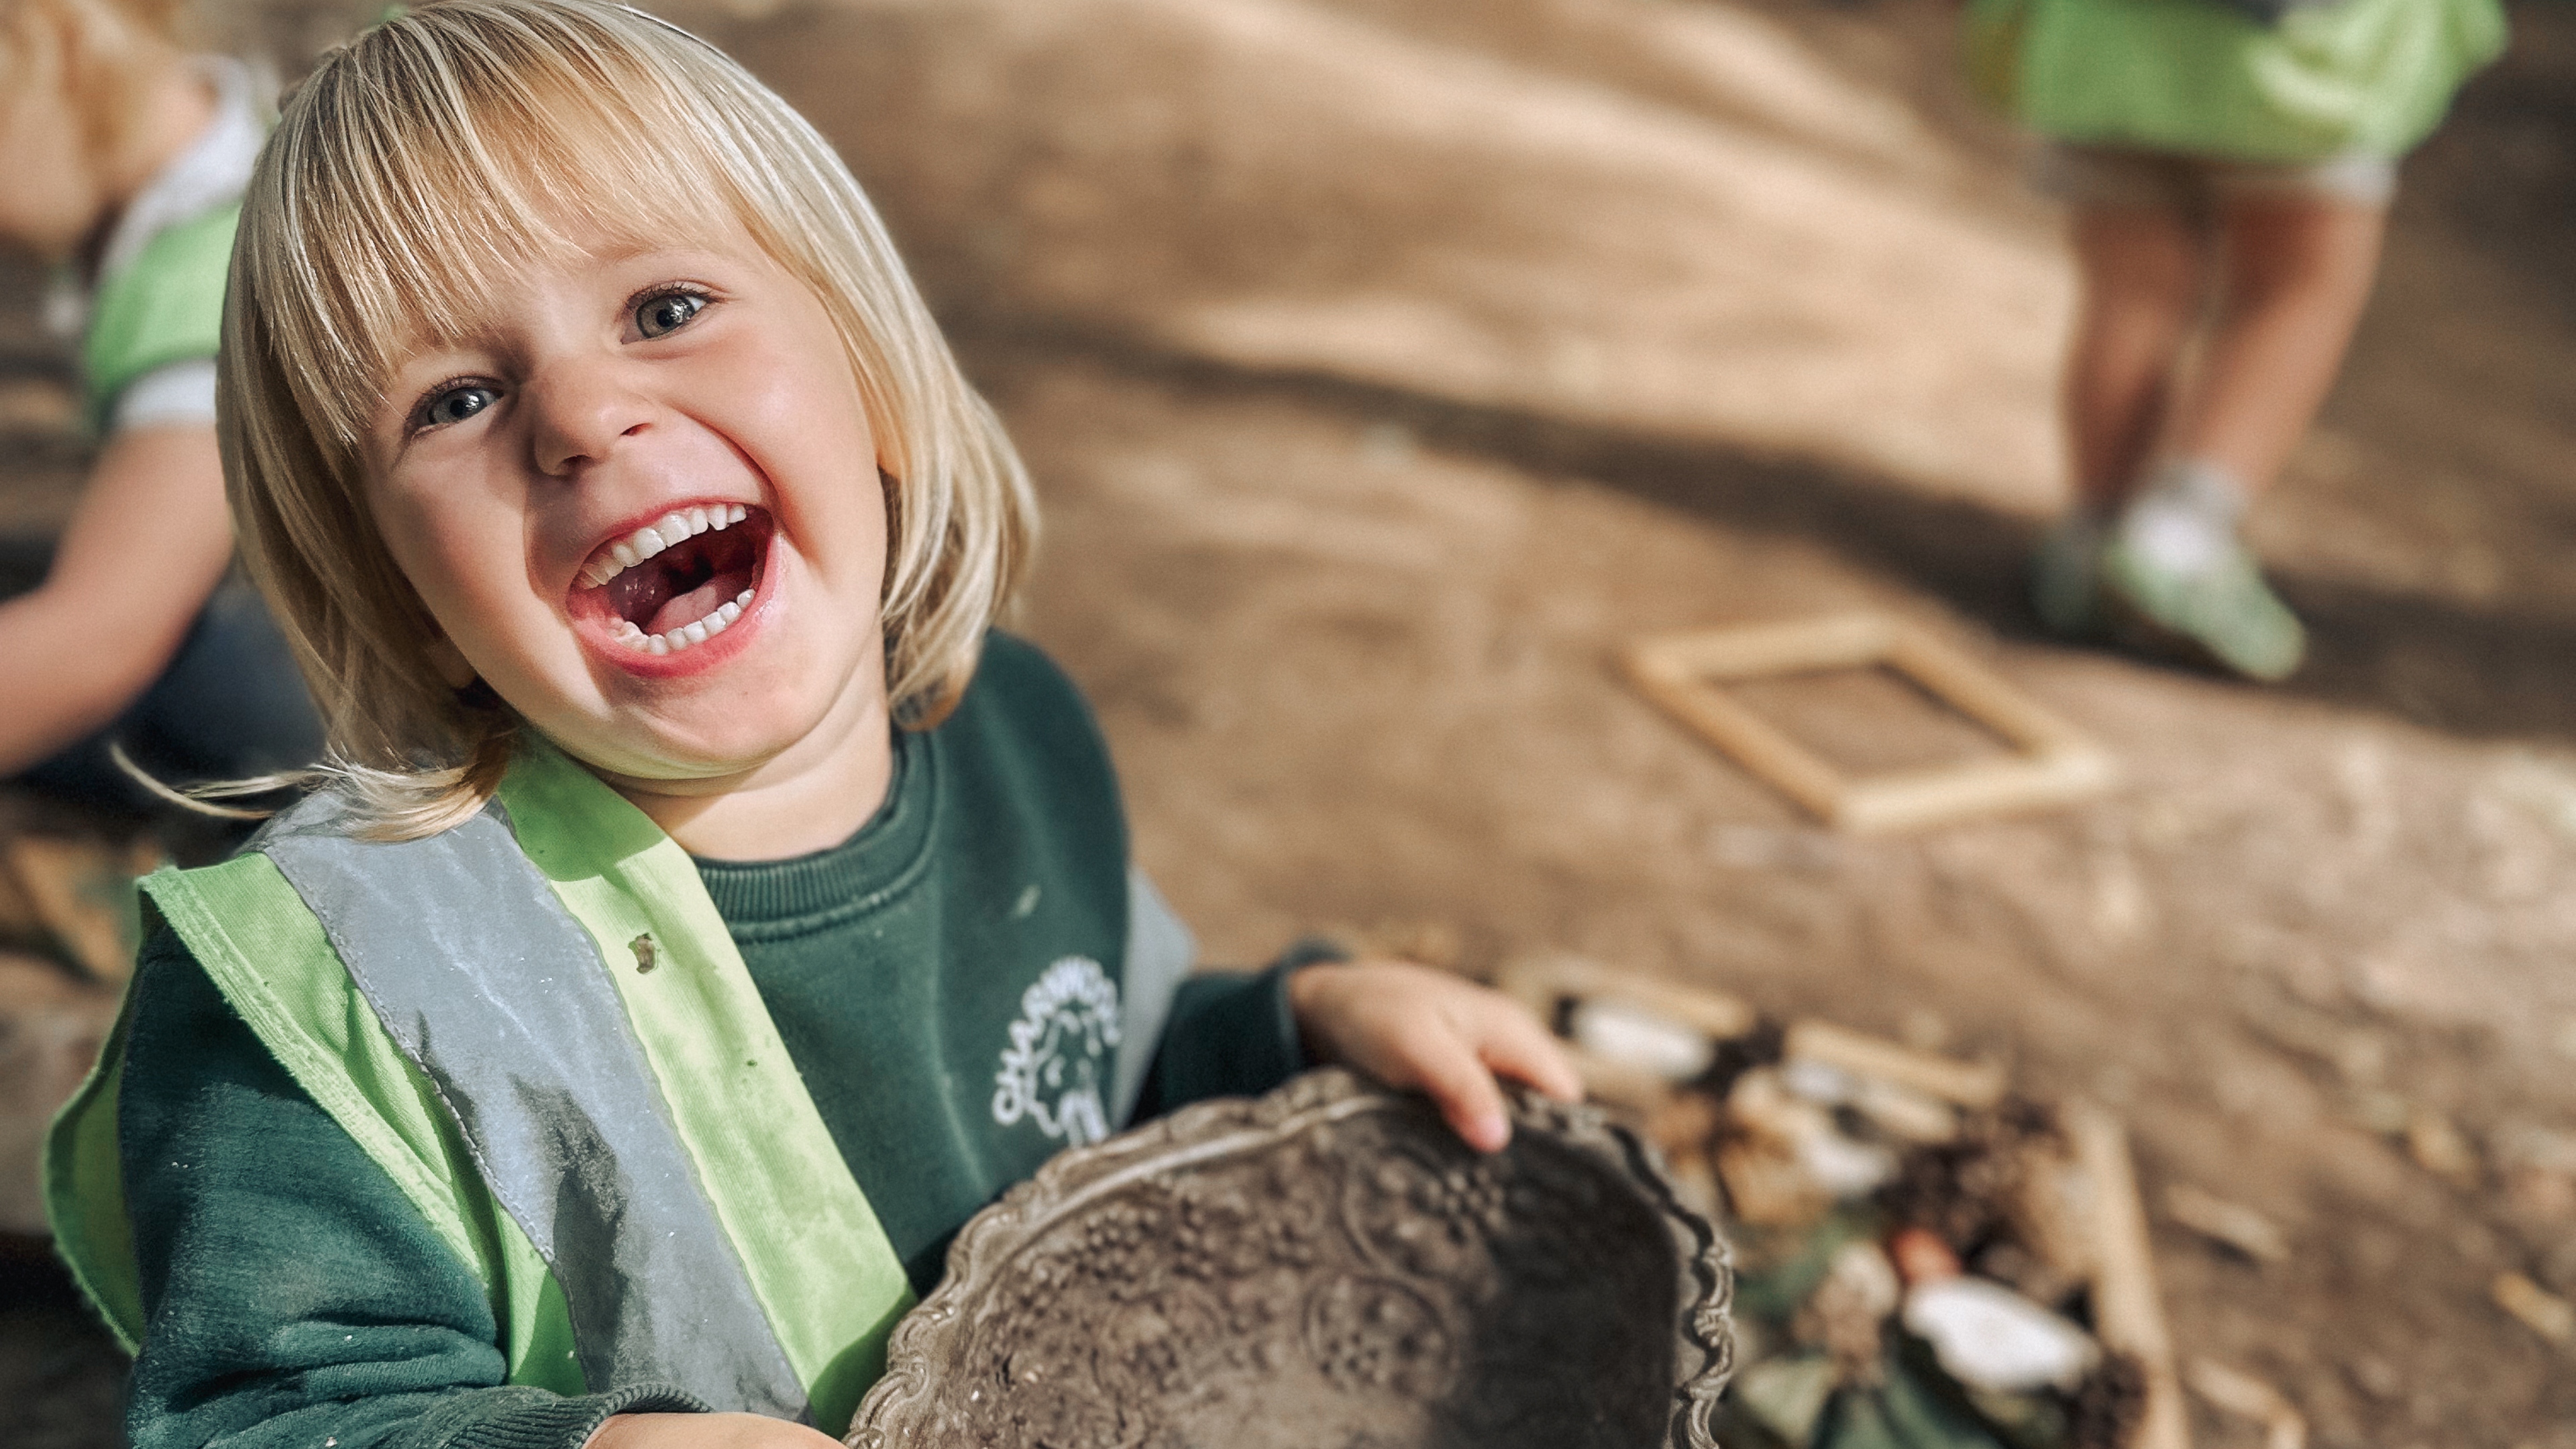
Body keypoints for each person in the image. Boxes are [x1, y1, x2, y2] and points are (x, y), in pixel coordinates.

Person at [40, 3, 1584, 1446]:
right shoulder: (336, 987)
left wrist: (1296, 1025)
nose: (580, 416)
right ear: (400, 593)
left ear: (875, 386)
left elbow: (1097, 1095)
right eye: (451, 400)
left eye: (665, 306)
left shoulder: (1010, 741)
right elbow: (267, 1406)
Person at [1966, 0, 2508, 680]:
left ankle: (2092, 537)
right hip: (2303, 72)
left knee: (2134, 292)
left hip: (2105, 55)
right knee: (2296, 288)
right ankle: (2179, 537)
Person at [0, 0, 322, 812]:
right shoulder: (234, 161)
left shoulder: (206, 298)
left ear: (54, 57)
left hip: (325, 719)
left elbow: (100, 637)